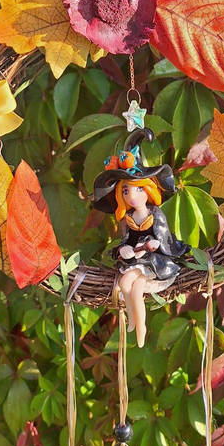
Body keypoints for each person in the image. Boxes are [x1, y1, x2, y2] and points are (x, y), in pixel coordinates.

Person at [90, 128, 189, 346]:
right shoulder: (128, 218)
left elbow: (164, 238)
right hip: (136, 258)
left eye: (138, 190)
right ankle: (132, 320)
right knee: (125, 285)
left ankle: (141, 327)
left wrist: (155, 243)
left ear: (149, 190)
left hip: (156, 260)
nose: (132, 196)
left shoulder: (155, 214)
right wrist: (124, 248)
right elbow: (128, 240)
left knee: (134, 288)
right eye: (126, 191)